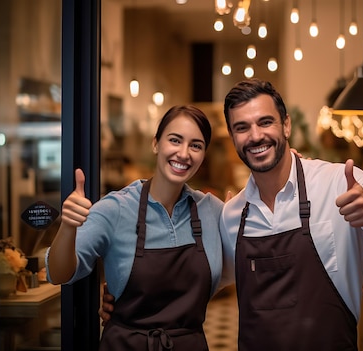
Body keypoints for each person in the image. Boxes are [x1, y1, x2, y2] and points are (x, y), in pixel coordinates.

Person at [101, 79, 363, 350]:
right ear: (233, 136)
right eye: (242, 127)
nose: (255, 136)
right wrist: (125, 299)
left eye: (265, 122)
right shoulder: (231, 215)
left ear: (286, 124)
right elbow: (194, 281)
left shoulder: (340, 182)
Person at [46, 105, 228, 350]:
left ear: (203, 155)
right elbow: (58, 274)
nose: (184, 153)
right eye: (175, 140)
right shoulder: (116, 208)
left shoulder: (212, 211)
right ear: (156, 144)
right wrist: (68, 226)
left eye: (195, 145)